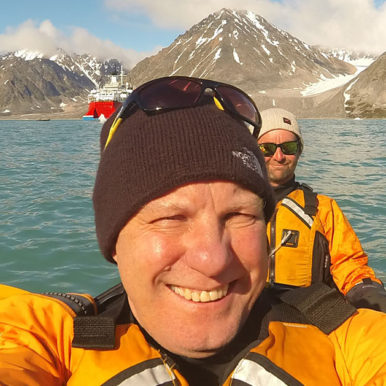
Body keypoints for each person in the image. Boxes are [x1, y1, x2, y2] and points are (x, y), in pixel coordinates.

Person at [0, 77, 385, 385]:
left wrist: (364, 289)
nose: (212, 259)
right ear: (113, 239)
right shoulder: (54, 340)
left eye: (239, 215)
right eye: (170, 217)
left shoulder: (341, 336)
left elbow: (350, 266)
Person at [257, 107, 386, 311]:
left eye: (289, 147)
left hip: (307, 315)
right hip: (249, 315)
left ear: (299, 150)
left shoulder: (323, 208)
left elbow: (348, 262)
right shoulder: (233, 203)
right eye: (267, 148)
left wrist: (367, 292)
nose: (279, 156)